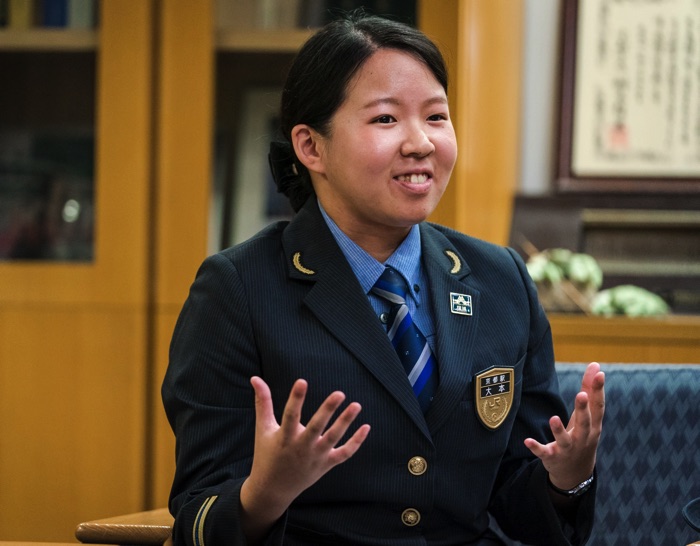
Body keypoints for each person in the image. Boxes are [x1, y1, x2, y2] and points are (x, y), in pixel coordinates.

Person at [162, 12, 605, 546]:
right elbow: (198, 518)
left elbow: (521, 506)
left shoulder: (501, 278)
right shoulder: (237, 290)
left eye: (436, 117)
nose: (420, 143)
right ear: (311, 147)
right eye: (386, 120)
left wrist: (566, 478)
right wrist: (264, 492)